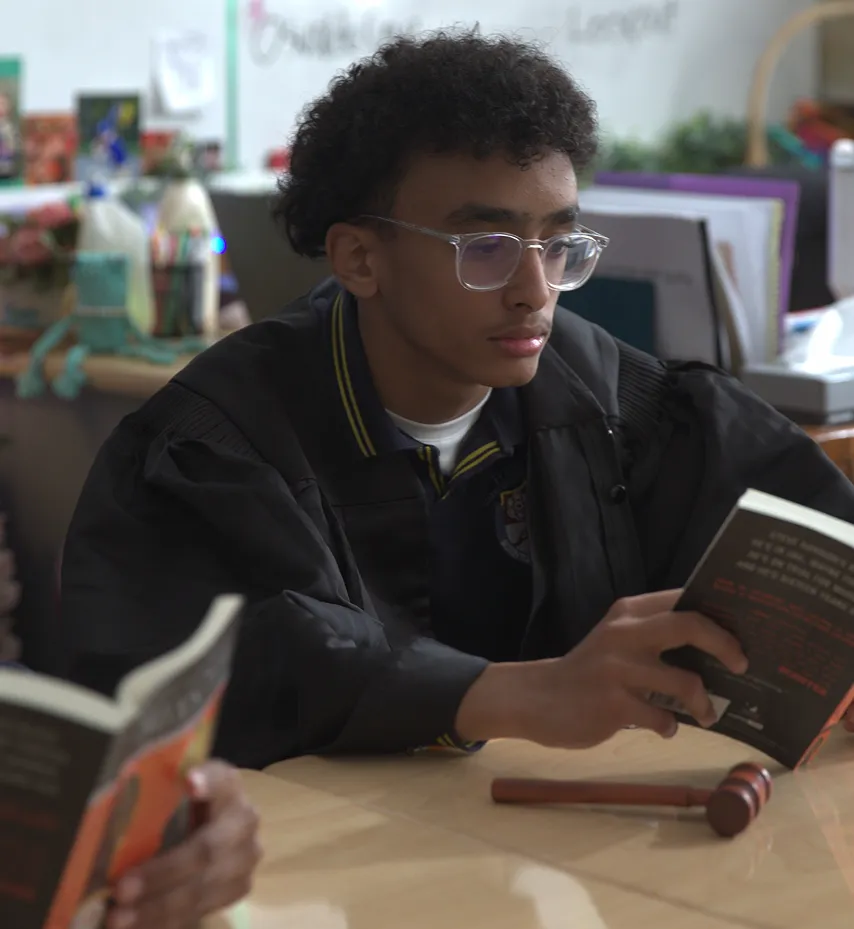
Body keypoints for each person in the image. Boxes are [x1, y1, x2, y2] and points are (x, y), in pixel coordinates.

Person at [62, 30, 854, 785]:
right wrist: (517, 694)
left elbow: (809, 525)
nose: (535, 291)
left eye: (559, 244)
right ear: (361, 258)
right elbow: (240, 667)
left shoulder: (604, 394)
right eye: (486, 247)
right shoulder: (221, 439)